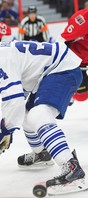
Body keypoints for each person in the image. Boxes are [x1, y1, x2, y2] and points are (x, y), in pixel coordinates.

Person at [0, 32, 86, 195]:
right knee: (27, 116)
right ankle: (42, 153)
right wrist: (4, 125)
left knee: (38, 115)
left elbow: (14, 100)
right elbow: (15, 98)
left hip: (61, 68)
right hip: (50, 71)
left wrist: (5, 129)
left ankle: (72, 168)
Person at [17, 8, 88, 168]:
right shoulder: (81, 19)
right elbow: (65, 41)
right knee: (32, 113)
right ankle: (41, 153)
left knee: (35, 113)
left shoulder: (41, 22)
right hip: (71, 64)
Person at [61, 8, 88, 102]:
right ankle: (69, 92)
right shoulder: (81, 19)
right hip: (80, 62)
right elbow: (65, 38)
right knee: (81, 95)